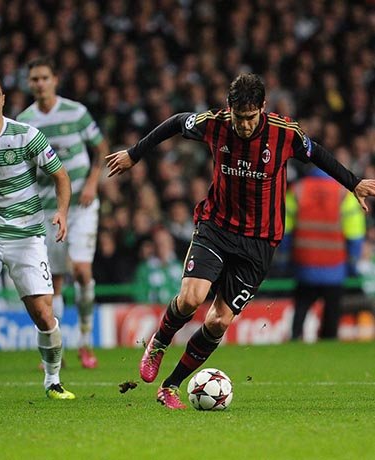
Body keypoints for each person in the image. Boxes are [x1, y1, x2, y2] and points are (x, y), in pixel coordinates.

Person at [106, 73, 375, 409]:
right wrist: (134, 153)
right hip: (216, 227)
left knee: (218, 321)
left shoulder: (284, 133)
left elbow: (317, 153)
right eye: (239, 117)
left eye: (250, 118)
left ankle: (170, 387)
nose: (245, 125)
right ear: (229, 108)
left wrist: (352, 183)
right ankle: (159, 342)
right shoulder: (214, 124)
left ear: (262, 108)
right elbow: (176, 122)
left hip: (259, 241)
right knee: (191, 298)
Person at [0, 70, 75, 400]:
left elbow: (61, 176)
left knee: (43, 315)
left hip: (27, 237)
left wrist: (61, 212)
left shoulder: (26, 136)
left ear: (3, 99)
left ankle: (53, 380)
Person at [16, 57, 109, 368]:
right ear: (29, 84)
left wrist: (93, 183)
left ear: (54, 79)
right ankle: (56, 348)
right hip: (49, 208)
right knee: (52, 281)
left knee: (82, 270)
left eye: (44, 77)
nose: (40, 84)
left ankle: (85, 343)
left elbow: (100, 147)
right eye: (34, 79)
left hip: (81, 205)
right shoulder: (24, 122)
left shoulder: (77, 112)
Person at [281, 167, 365, 340]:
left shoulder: (298, 189)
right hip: (334, 264)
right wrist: (353, 260)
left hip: (304, 262)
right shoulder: (343, 194)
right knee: (332, 313)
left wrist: (285, 257)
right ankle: (329, 340)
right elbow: (355, 233)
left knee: (301, 309)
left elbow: (284, 229)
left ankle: (295, 339)